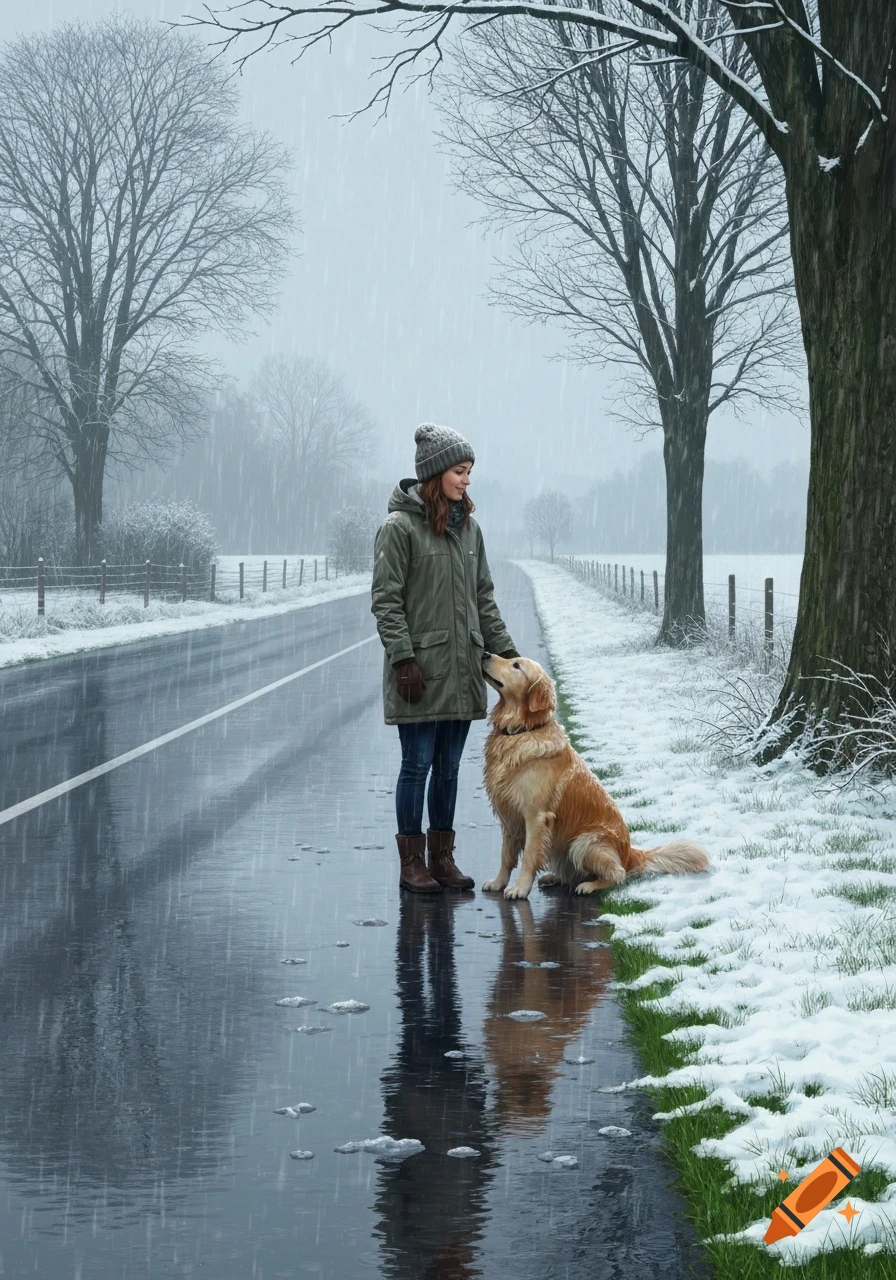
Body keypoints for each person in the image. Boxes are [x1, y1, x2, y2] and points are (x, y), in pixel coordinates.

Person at [371, 423, 519, 893]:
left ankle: (442, 859)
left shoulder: (469, 530)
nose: (467, 480)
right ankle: (411, 862)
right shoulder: (398, 529)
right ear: (436, 474)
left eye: (470, 471)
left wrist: (509, 657)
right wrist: (402, 659)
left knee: (450, 768)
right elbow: (386, 600)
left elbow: (484, 599)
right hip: (420, 671)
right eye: (460, 471)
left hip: (462, 671)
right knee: (416, 766)